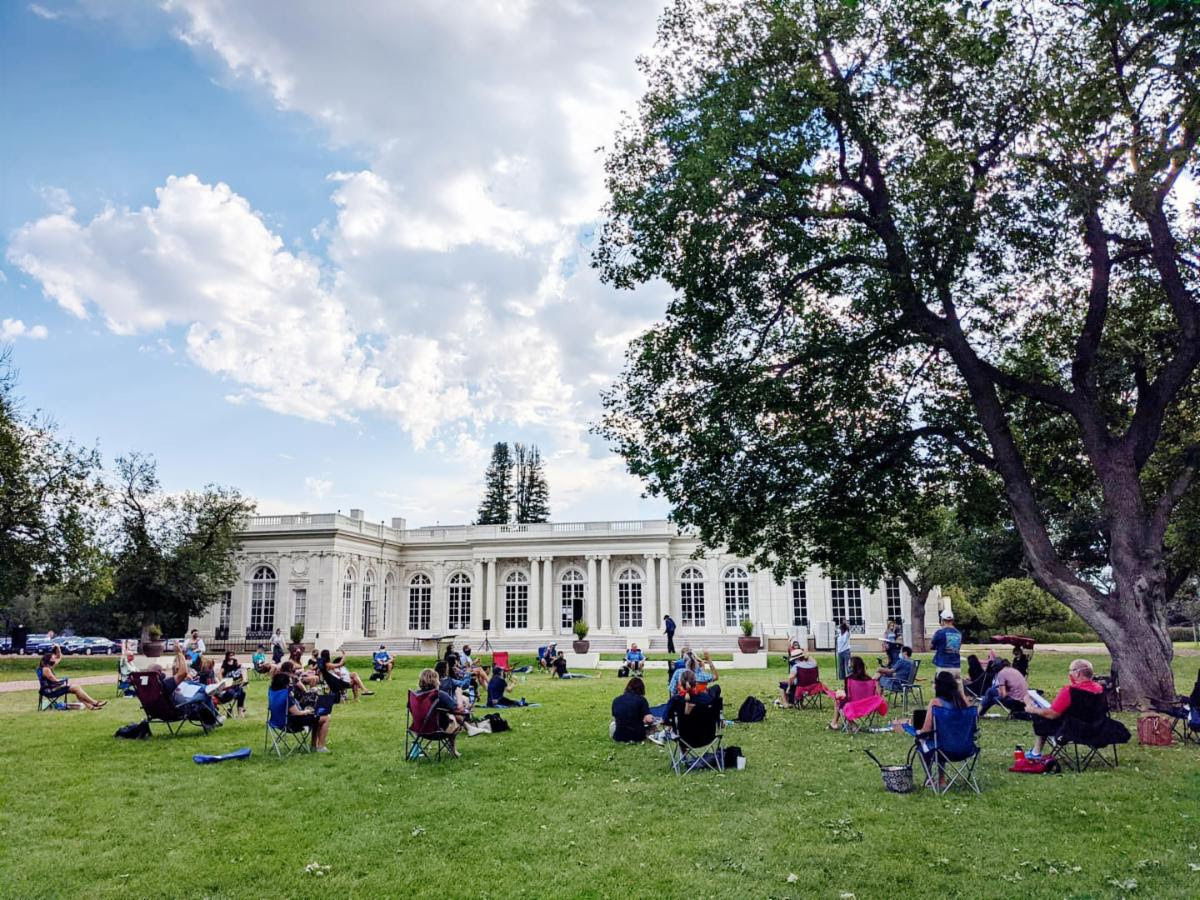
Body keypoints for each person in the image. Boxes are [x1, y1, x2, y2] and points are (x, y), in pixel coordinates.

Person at [1024, 658, 1105, 758]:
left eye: (1070, 671)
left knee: (1040, 717)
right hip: (1098, 728)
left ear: (1077, 673)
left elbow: (1052, 714)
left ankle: (1036, 752)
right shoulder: (1100, 689)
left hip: (1072, 731)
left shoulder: (1069, 691)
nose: (1069, 674)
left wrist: (1033, 710)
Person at [269, 671, 331, 752]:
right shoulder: (286, 695)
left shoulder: (272, 692)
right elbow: (296, 713)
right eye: (289, 682)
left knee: (317, 717)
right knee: (326, 718)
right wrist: (307, 711)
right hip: (290, 723)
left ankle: (314, 745)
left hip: (276, 721)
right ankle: (321, 746)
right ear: (285, 683)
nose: (291, 684)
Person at [416, 667, 465, 757]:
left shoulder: (416, 695)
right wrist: (459, 695)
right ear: (436, 680)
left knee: (449, 716)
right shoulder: (440, 695)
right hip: (437, 730)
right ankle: (453, 749)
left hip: (418, 729)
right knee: (455, 718)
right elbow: (459, 710)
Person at [37, 652, 107, 710]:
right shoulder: (46, 669)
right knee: (76, 688)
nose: (55, 658)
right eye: (53, 657)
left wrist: (58, 647)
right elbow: (56, 681)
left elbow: (59, 657)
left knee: (76, 689)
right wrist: (64, 680)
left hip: (50, 689)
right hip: (50, 692)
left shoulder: (45, 668)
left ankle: (91, 706)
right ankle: (95, 703)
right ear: (49, 659)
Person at [828, 655, 876, 730]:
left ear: (852, 667)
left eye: (849, 665)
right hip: (868, 706)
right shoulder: (870, 679)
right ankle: (840, 723)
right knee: (841, 700)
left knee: (839, 701)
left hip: (853, 706)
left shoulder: (849, 679)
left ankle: (846, 724)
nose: (848, 667)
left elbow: (848, 695)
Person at [611, 676, 655, 742]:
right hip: (637, 736)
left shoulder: (616, 700)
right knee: (653, 727)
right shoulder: (641, 700)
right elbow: (649, 720)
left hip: (619, 736)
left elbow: (616, 717)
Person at [930, 611, 962, 677]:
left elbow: (931, 646)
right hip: (957, 667)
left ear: (942, 620)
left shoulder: (940, 633)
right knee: (956, 687)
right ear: (952, 620)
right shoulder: (958, 633)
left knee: (941, 686)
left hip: (943, 667)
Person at [218, 650, 247, 717]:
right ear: (227, 656)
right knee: (232, 693)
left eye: (233, 655)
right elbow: (220, 673)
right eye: (230, 655)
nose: (232, 657)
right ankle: (230, 709)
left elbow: (241, 669)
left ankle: (240, 711)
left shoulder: (236, 662)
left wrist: (243, 679)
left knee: (242, 693)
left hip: (236, 683)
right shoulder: (225, 663)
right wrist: (223, 681)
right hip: (229, 684)